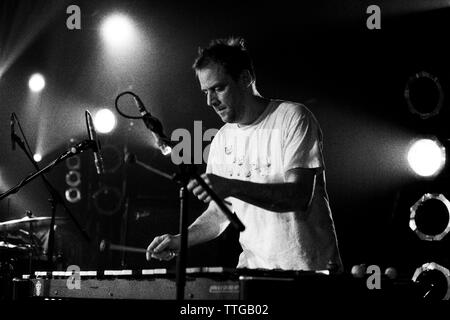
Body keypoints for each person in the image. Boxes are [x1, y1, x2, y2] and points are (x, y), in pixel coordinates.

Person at [146, 37, 342, 271]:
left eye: (219, 88)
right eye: (205, 92)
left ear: (245, 79)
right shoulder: (221, 139)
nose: (210, 101)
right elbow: (219, 213)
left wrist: (232, 185)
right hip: (253, 271)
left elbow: (298, 196)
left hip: (309, 270)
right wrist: (180, 239)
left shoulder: (293, 117)